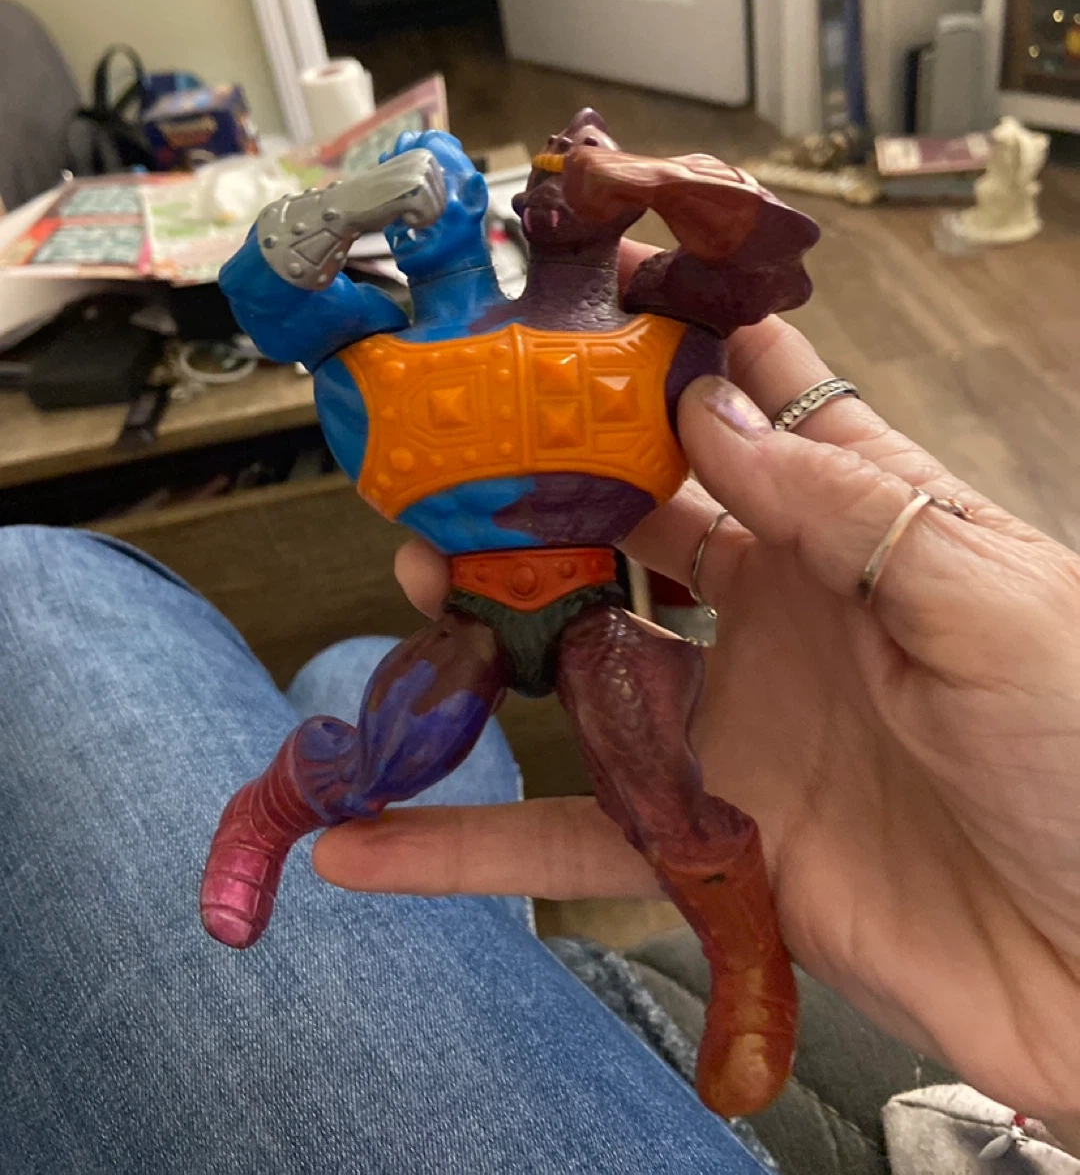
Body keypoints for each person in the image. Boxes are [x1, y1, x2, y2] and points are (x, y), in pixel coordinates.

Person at [2, 263, 1078, 1171]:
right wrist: (297, 241)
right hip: (474, 605)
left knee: (662, 794)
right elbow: (271, 303)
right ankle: (269, 813)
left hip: (591, 608)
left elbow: (745, 287)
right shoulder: (383, 330)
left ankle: (749, 968)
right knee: (384, 753)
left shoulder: (641, 319)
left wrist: (691, 225)